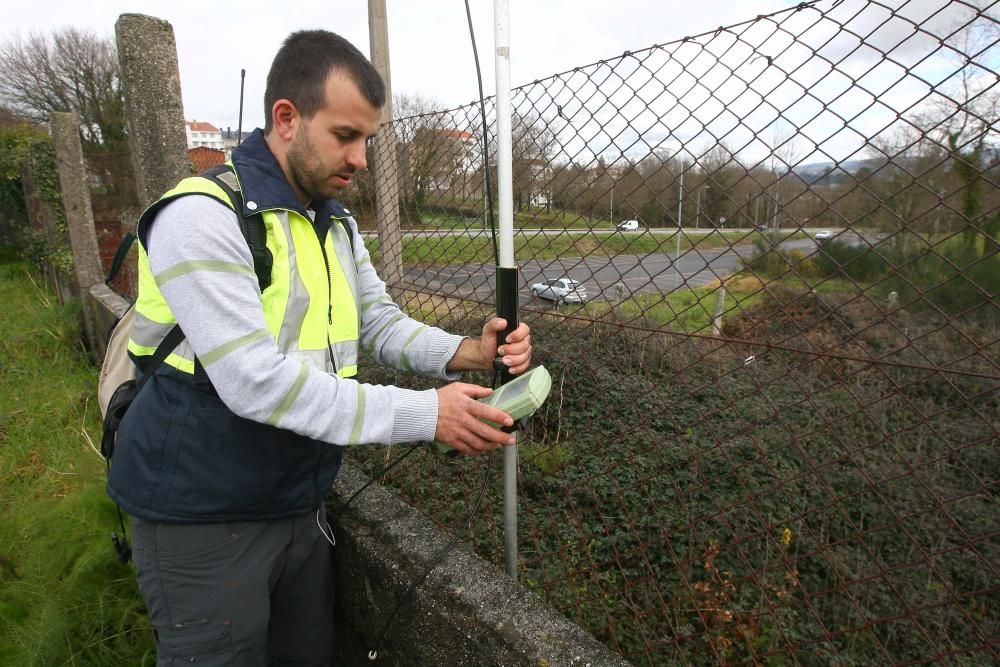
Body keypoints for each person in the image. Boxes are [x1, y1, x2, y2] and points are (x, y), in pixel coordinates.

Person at [107, 29, 532, 665]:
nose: (361, 158)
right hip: (201, 515)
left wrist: (468, 350)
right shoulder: (202, 217)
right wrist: (426, 414)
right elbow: (256, 380)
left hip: (298, 502)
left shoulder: (333, 222)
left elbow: (378, 325)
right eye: (345, 135)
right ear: (286, 118)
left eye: (368, 139)